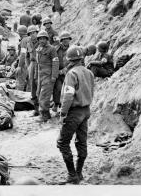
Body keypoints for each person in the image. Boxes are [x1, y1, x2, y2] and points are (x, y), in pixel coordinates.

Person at [57, 45, 94, 184]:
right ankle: (79, 173)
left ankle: (73, 175)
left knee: (62, 143)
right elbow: (91, 92)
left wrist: (63, 113)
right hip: (86, 110)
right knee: (82, 142)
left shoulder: (71, 74)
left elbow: (68, 95)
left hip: (74, 112)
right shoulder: (89, 73)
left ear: (69, 59)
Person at [36, 30, 59, 122]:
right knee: (39, 94)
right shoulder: (39, 49)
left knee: (44, 96)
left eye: (43, 39)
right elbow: (38, 64)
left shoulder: (52, 49)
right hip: (40, 75)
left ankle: (44, 115)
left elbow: (55, 62)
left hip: (48, 75)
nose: (42, 40)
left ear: (47, 39)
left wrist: (54, 76)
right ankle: (45, 114)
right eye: (40, 39)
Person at [52, 31, 72, 113]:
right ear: (61, 40)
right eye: (64, 39)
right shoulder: (56, 49)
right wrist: (57, 71)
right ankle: (56, 104)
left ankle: (66, 107)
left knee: (67, 89)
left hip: (69, 72)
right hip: (58, 72)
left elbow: (74, 62)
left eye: (67, 39)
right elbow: (53, 60)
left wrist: (65, 69)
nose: (65, 41)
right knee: (57, 88)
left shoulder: (72, 49)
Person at [25, 25, 40, 116]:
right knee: (32, 86)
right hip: (32, 64)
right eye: (30, 33)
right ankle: (36, 109)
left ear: (37, 33)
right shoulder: (28, 43)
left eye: (34, 33)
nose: (32, 35)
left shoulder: (42, 41)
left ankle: (43, 108)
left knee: (40, 85)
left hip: (41, 65)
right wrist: (28, 66)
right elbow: (27, 56)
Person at [16, 25, 29, 91]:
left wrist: (20, 66)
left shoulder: (24, 40)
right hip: (30, 63)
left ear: (20, 33)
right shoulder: (30, 38)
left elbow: (23, 54)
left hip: (24, 63)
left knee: (20, 81)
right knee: (30, 82)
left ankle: (19, 97)